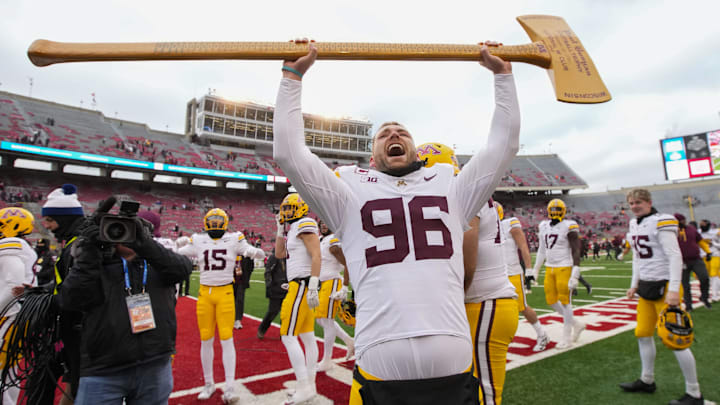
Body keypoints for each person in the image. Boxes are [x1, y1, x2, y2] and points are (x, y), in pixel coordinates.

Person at [273, 39, 519, 404]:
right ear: (371, 159)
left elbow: (503, 147)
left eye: (402, 131)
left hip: (439, 350)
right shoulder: (348, 194)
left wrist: (503, 76)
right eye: (384, 133)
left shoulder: (451, 188)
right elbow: (289, 154)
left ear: (416, 151)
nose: (394, 133)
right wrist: (292, 78)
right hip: (388, 349)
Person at [58, 203, 193, 405]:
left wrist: (144, 244)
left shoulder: (156, 263)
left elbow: (183, 268)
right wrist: (89, 251)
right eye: (114, 228)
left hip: (154, 364)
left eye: (128, 228)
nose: (121, 234)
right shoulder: (96, 265)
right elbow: (70, 299)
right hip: (103, 370)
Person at [419, 142, 518, 404]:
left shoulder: (460, 192)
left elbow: (467, 259)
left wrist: (447, 304)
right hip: (479, 303)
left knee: (484, 396)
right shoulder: (458, 191)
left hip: (484, 302)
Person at [619, 189, 704, 405]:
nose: (635, 206)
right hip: (646, 286)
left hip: (666, 286)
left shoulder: (662, 221)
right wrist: (633, 284)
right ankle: (647, 380)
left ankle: (694, 393)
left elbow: (675, 255)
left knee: (676, 339)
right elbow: (637, 258)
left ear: (649, 202)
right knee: (643, 333)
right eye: (631, 203)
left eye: (638, 202)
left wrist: (675, 289)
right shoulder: (634, 223)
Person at [178, 208, 265, 403]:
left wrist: (253, 251)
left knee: (227, 339)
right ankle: (209, 384)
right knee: (206, 339)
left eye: (219, 220)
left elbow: (256, 253)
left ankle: (230, 387)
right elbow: (178, 253)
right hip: (205, 294)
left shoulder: (234, 238)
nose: (216, 224)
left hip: (224, 292)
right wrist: (175, 245)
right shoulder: (199, 240)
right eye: (213, 220)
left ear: (224, 222)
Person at [37, 184, 86, 404]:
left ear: (64, 218)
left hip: (80, 330)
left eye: (49, 220)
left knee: (77, 382)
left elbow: (74, 292)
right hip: (71, 326)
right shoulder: (72, 243)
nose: (46, 226)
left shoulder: (80, 247)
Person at [274, 194, 322, 404]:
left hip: (302, 285)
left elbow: (316, 254)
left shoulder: (305, 223)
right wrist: (278, 230)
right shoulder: (293, 228)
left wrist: (312, 285)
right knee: (307, 336)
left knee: (287, 335)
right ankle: (309, 385)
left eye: (290, 208)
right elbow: (278, 254)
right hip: (299, 284)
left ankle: (304, 385)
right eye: (285, 209)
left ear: (301, 208)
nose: (286, 212)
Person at [532, 199, 585, 349]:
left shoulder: (569, 226)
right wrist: (536, 269)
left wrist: (575, 273)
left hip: (564, 267)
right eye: (552, 210)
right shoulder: (543, 226)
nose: (555, 214)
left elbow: (576, 250)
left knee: (566, 302)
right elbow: (542, 250)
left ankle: (567, 338)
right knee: (551, 301)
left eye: (557, 211)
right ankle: (577, 324)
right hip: (550, 267)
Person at [496, 202, 549, 352]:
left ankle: (542, 334)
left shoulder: (509, 224)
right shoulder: (484, 229)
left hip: (512, 273)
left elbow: (523, 247)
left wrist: (529, 269)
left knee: (522, 307)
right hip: (496, 275)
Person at [0, 207, 38, 404]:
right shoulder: (21, 247)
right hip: (15, 316)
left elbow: (11, 286)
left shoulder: (11, 248)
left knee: (4, 375)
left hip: (9, 316)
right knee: (9, 375)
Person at [316, 220, 355, 372]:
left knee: (327, 320)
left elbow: (348, 264)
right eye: (322, 223)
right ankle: (349, 340)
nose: (324, 225)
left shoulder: (332, 242)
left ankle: (327, 360)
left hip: (332, 282)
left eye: (326, 223)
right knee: (321, 320)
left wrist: (345, 287)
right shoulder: (322, 240)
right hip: (324, 283)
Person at [673, 214, 711, 310]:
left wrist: (708, 252)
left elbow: (701, 241)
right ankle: (688, 304)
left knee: (704, 278)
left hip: (696, 259)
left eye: (684, 220)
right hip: (681, 261)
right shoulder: (672, 231)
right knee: (685, 284)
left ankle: (704, 297)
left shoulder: (691, 229)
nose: (684, 222)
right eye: (682, 220)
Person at [257, 248, 288, 339]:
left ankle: (284, 333)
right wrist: (269, 285)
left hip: (288, 289)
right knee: (272, 312)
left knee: (286, 313)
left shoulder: (289, 258)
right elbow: (268, 272)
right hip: (275, 289)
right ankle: (262, 329)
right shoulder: (274, 257)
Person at [698, 219, 720, 302]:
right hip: (703, 256)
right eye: (701, 224)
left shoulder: (716, 233)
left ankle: (714, 295)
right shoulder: (698, 232)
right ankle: (712, 293)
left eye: (704, 224)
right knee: (707, 277)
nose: (702, 226)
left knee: (714, 275)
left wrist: (713, 244)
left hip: (715, 255)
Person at [233, 255, 254, 329]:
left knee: (240, 299)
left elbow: (251, 266)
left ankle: (237, 319)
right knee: (229, 300)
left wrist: (247, 277)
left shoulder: (246, 252)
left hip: (241, 280)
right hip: (229, 279)